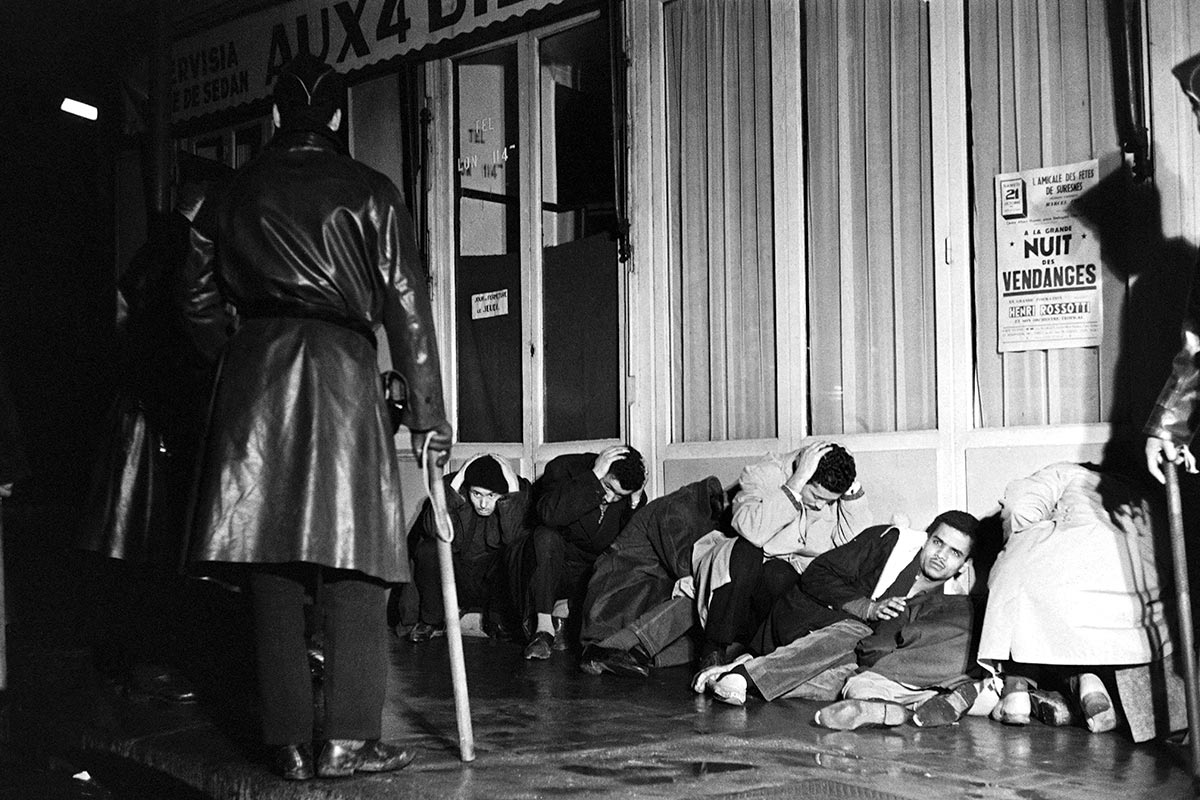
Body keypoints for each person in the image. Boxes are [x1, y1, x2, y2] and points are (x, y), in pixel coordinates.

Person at [181, 54, 452, 781]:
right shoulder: (369, 190)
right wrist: (429, 412)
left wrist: (235, 362)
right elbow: (407, 305)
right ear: (338, 118)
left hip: (257, 375)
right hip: (340, 373)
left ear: (273, 117)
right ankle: (349, 738)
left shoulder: (227, 195)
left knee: (270, 562)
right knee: (357, 559)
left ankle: (290, 745)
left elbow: (195, 303)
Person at [693, 511, 980, 728]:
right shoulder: (890, 541)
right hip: (804, 623)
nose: (941, 556)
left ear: (964, 565)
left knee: (850, 680)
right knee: (859, 630)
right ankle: (747, 674)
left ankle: (744, 674)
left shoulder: (953, 600)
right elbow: (817, 574)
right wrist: (868, 608)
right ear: (925, 538)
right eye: (937, 542)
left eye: (954, 552)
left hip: (841, 657)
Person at [975, 462, 1171, 738]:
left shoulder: (1067, 472)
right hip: (1134, 593)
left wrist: (1020, 540)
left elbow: (1019, 508)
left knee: (1019, 580)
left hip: (1060, 575)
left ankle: (1016, 691)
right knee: (1066, 635)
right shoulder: (1144, 495)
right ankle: (1087, 681)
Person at [689, 440, 869, 670]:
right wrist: (794, 486)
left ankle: (754, 659)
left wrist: (852, 490)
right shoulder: (763, 474)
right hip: (737, 576)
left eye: (829, 501)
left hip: (779, 584)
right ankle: (713, 651)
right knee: (748, 551)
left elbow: (853, 544)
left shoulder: (829, 492)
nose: (820, 506)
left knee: (781, 574)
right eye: (816, 495)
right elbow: (751, 529)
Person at [577, 476, 729, 677]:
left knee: (717, 628)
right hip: (617, 598)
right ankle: (606, 650)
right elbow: (684, 566)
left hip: (639, 595)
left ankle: (637, 654)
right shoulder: (676, 510)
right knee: (700, 596)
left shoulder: (701, 508)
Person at [508, 445, 646, 660]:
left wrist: (635, 500)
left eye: (619, 496)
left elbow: (630, 543)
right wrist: (593, 478)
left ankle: (569, 613)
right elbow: (548, 515)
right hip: (549, 567)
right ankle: (543, 630)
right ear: (601, 467)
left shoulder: (629, 493)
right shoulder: (563, 468)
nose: (609, 498)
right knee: (545, 535)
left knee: (629, 562)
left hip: (589, 575)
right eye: (608, 487)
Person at [407, 453, 530, 643]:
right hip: (458, 577)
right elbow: (432, 528)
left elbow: (515, 539)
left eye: (492, 496)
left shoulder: (519, 491)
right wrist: (454, 488)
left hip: (494, 583)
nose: (483, 504)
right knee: (429, 548)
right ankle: (431, 621)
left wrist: (511, 494)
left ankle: (499, 620)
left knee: (515, 552)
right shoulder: (452, 488)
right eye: (476, 494)